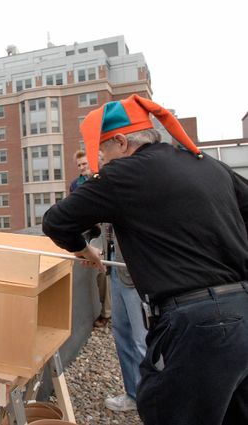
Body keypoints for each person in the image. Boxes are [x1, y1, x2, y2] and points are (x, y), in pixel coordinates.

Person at [42, 94, 248, 424]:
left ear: (121, 141)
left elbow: (56, 222)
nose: (102, 160)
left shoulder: (123, 175)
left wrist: (84, 249)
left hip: (194, 326)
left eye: (104, 150)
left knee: (171, 410)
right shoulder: (205, 163)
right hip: (243, 311)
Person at [102, 224, 147, 412]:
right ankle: (133, 395)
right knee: (122, 332)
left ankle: (154, 399)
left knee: (142, 339)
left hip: (137, 266)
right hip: (114, 262)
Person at [71, 150, 112, 328]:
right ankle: (107, 313)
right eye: (79, 165)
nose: (81, 168)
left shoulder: (102, 178)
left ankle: (110, 312)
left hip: (110, 230)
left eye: (84, 164)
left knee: (111, 271)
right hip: (93, 233)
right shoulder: (75, 184)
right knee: (101, 271)